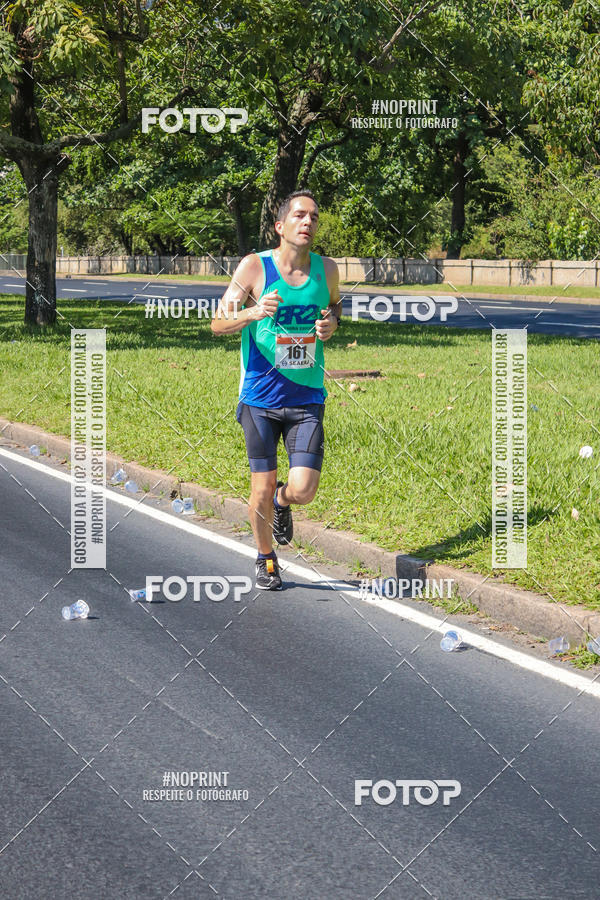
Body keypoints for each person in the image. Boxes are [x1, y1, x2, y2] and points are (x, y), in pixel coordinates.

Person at [210, 190, 342, 589]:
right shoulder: (255, 266)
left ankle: (284, 503)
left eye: (315, 217)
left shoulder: (328, 269)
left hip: (306, 397)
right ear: (279, 226)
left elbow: (334, 307)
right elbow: (218, 322)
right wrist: (253, 311)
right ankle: (266, 557)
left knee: (302, 489)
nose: (308, 222)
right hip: (260, 398)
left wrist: (332, 324)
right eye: (300, 216)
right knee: (261, 485)